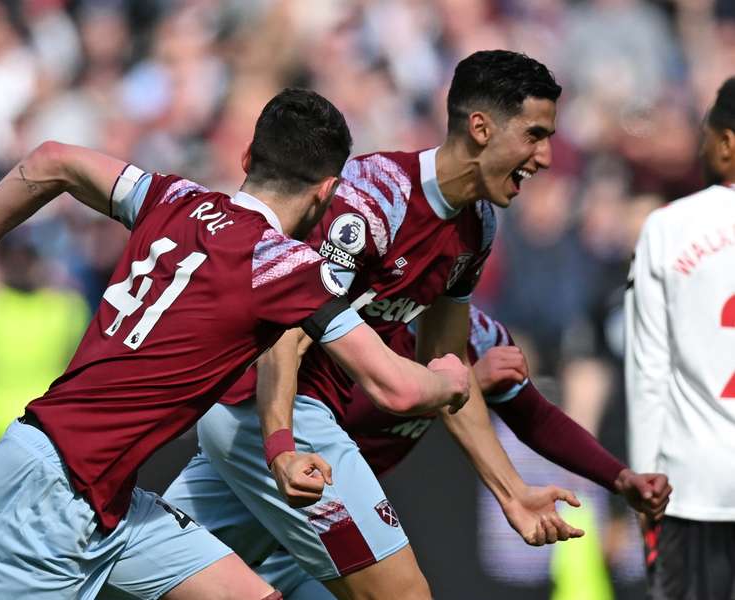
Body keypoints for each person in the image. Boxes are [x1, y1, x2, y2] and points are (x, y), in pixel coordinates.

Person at [0, 89, 471, 600]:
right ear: (327, 191)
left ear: (246, 158)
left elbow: (51, 160)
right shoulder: (285, 266)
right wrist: (451, 377)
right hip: (53, 499)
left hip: (99, 495)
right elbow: (395, 385)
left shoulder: (172, 198)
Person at [163, 50, 600, 600]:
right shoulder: (378, 198)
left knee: (154, 584)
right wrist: (280, 443)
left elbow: (447, 366)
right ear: (482, 128)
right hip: (281, 416)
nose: (546, 156)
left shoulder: (477, 227)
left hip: (262, 425)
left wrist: (511, 491)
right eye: (535, 135)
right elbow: (287, 329)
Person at [244, 305, 672, 598]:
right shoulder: (379, 329)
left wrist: (619, 477)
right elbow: (340, 414)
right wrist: (455, 390)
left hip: (325, 511)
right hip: (283, 483)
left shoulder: (481, 335)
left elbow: (539, 420)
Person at [626, 76, 735, 600]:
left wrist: (646, 486)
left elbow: (649, 371)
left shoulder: (669, 227)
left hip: (694, 486)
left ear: (727, 143)